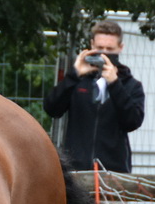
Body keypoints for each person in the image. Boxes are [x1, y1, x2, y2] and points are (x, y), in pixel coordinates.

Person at [44, 20, 146, 172]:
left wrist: (115, 84)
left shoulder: (131, 85)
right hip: (76, 168)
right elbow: (52, 108)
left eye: (109, 49)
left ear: (120, 48)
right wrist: (74, 75)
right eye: (99, 48)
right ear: (92, 45)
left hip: (114, 170)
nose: (104, 53)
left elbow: (132, 122)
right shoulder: (77, 81)